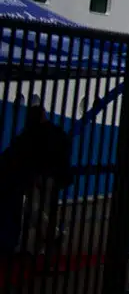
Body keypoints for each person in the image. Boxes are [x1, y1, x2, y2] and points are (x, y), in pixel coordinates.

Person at [0, 97, 73, 256]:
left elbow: (16, 153)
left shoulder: (30, 134)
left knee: (31, 210)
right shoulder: (57, 133)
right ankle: (45, 245)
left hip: (35, 176)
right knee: (43, 210)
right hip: (52, 177)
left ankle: (44, 240)